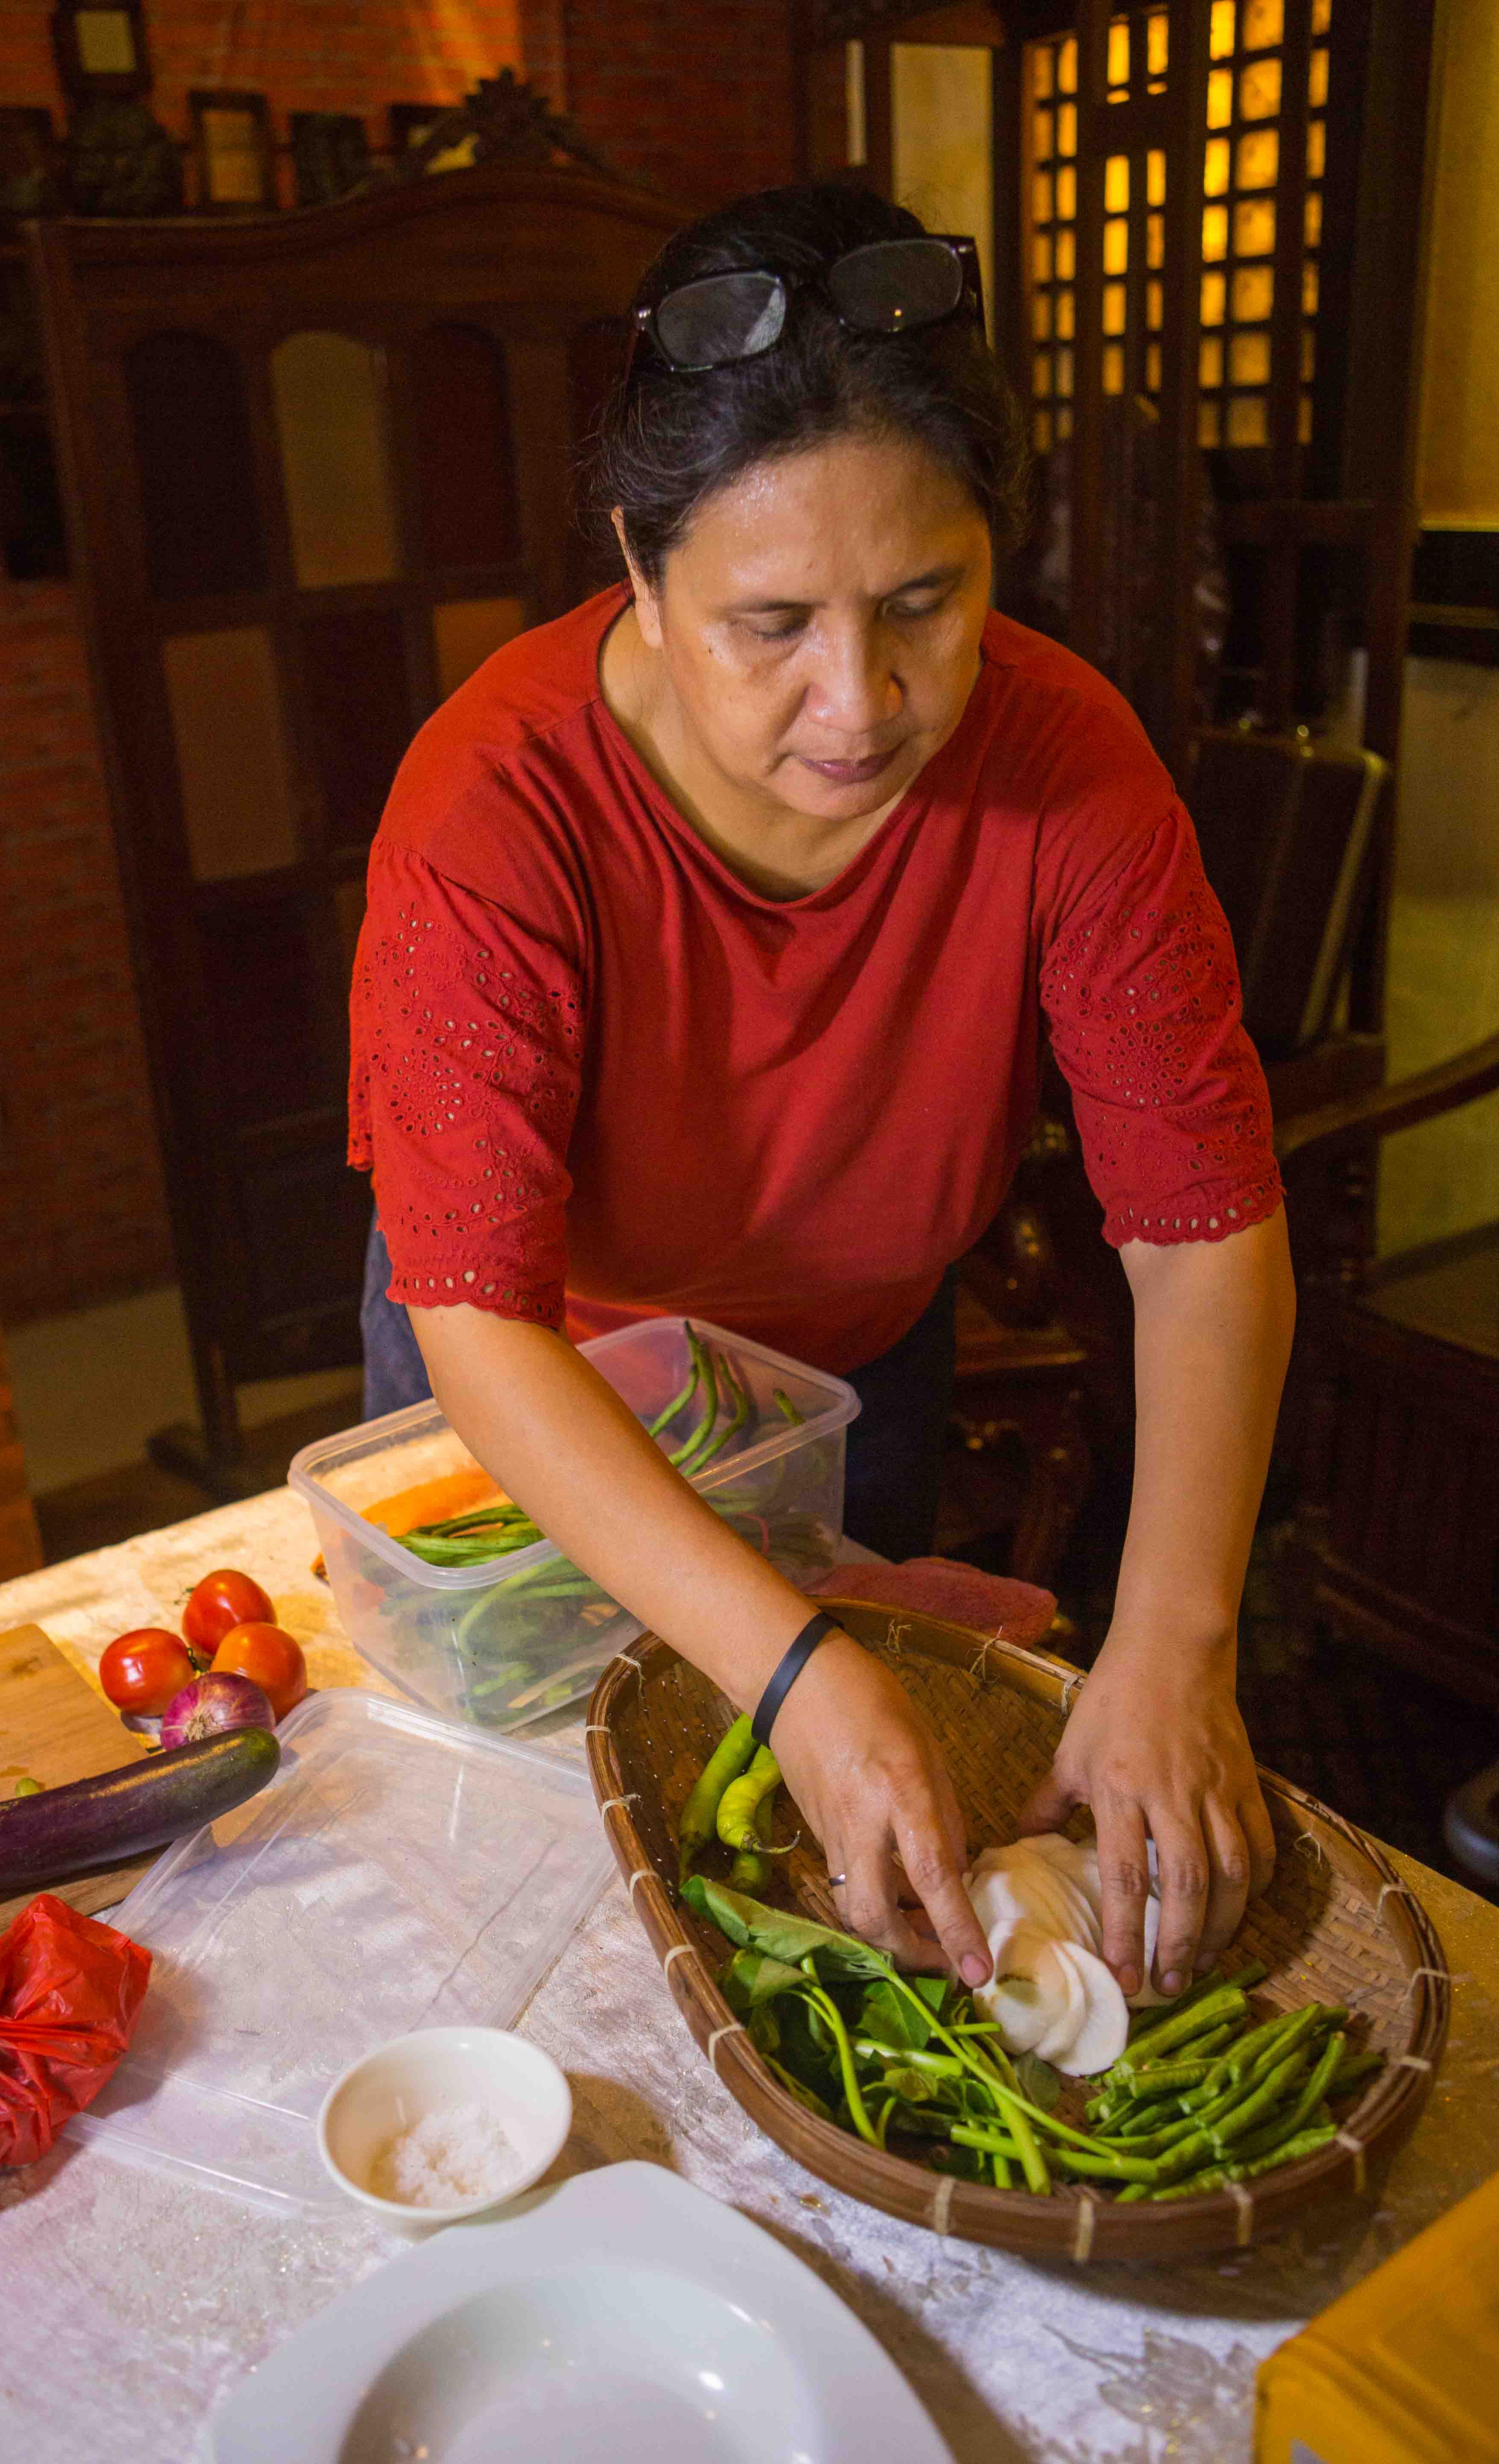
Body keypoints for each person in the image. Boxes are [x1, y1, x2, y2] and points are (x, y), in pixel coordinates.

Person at [349, 181, 1293, 2002]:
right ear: (639, 568)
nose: (857, 701)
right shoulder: (497, 805)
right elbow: (477, 1310)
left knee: (856, 1886)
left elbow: (1200, 1235)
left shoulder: (1069, 764)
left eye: (925, 603)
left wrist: (1179, 1634)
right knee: (551, 1901)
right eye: (768, 622)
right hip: (550, 1390)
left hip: (856, 1363)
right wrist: (785, 1666)